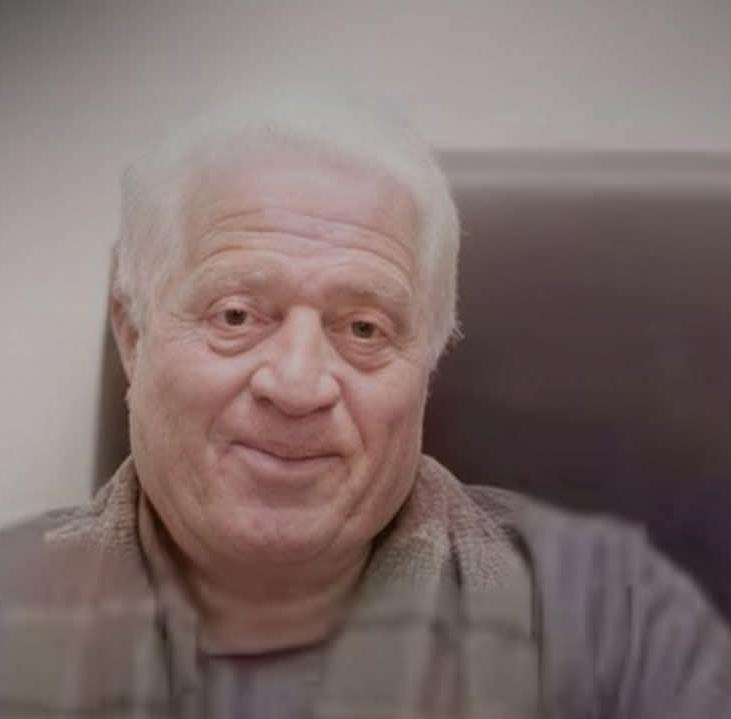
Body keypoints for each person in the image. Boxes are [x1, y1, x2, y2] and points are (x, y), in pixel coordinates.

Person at [0, 92, 729, 719]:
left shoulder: (613, 619)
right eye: (236, 315)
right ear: (133, 335)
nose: (297, 385)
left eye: (363, 329)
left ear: (428, 362)